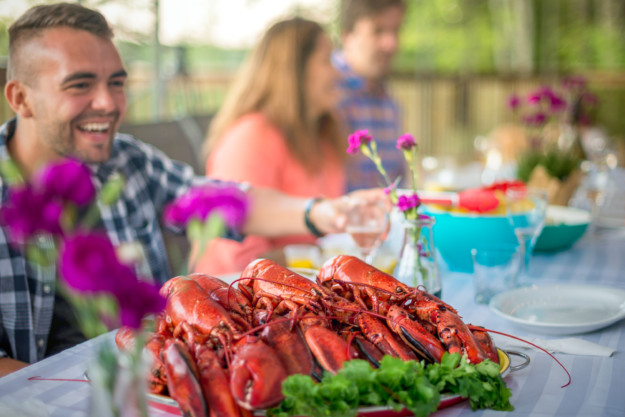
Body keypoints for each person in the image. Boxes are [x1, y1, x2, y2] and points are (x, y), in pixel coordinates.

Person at [0, 3, 387, 376]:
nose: (108, 103)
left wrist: (327, 212)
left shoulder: (127, 160)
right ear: (21, 98)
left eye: (116, 83)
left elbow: (226, 200)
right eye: (80, 84)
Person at [196, 17, 346, 275]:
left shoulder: (323, 134)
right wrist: (320, 258)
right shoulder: (249, 138)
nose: (337, 72)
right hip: (233, 299)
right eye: (326, 61)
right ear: (294, 72)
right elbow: (241, 261)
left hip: (302, 291)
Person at [333, 0, 406, 192]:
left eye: (396, 31)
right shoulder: (324, 92)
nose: (391, 44)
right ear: (347, 34)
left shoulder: (388, 101)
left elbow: (399, 182)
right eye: (378, 31)